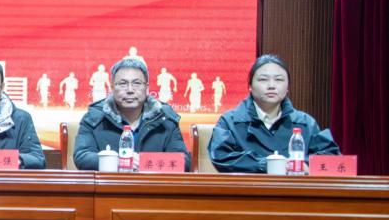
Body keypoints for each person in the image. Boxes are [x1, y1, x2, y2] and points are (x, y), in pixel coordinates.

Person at [208, 54, 339, 173]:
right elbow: (221, 156)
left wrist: (302, 165)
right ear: (250, 86)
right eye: (263, 79)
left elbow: (331, 158)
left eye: (279, 80)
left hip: (293, 189)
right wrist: (268, 164)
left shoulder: (305, 122)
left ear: (287, 87)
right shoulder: (230, 121)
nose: (271, 85)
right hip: (249, 190)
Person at [73, 57, 190, 171]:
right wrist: (118, 161)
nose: (130, 90)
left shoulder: (164, 118)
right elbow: (82, 156)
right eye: (123, 84)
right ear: (112, 88)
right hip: (111, 184)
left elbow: (183, 162)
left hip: (151, 184)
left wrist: (144, 162)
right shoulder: (95, 117)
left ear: (147, 88)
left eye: (137, 83)